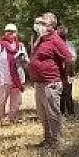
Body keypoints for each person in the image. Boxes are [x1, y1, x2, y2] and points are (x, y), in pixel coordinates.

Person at [28, 13, 74, 149]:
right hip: (39, 82)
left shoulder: (56, 40)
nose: (40, 26)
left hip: (51, 82)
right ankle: (48, 138)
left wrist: (66, 76)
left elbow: (69, 58)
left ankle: (57, 141)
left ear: (52, 26)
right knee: (42, 113)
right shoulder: (41, 39)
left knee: (52, 112)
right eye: (40, 23)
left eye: (44, 23)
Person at [0, 23, 28, 127]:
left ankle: (11, 120)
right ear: (5, 33)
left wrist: (24, 61)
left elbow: (26, 62)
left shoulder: (21, 46)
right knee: (1, 101)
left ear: (16, 33)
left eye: (12, 31)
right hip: (4, 78)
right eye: (8, 31)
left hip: (17, 78)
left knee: (16, 102)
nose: (10, 33)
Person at [57, 25, 77, 116]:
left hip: (68, 71)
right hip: (58, 71)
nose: (62, 35)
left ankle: (71, 111)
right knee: (59, 92)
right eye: (60, 33)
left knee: (68, 92)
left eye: (63, 33)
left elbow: (73, 58)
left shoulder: (69, 44)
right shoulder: (55, 44)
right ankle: (61, 112)